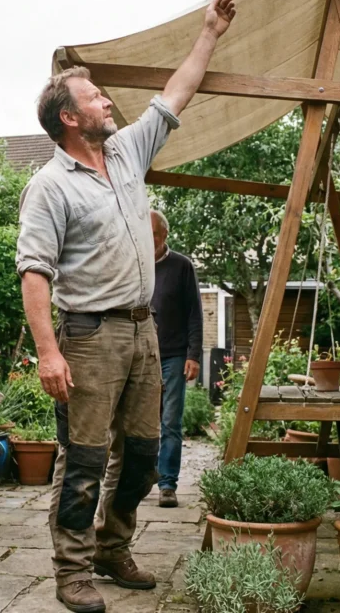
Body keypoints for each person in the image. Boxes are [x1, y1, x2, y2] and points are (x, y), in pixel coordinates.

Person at [16, 0, 236, 613]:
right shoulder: (50, 186)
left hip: (145, 332)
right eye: (93, 98)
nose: (106, 101)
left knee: (141, 456)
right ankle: (72, 571)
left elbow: (177, 92)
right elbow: (34, 274)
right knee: (83, 461)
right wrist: (48, 353)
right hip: (88, 336)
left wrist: (209, 33)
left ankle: (115, 546)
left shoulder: (126, 152)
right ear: (68, 117)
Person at [148, 210, 202, 509]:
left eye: (152, 234)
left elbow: (195, 312)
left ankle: (167, 484)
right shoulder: (134, 263)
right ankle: (142, 478)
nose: (147, 239)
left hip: (173, 355)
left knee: (170, 421)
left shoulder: (182, 266)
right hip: (140, 355)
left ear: (163, 235)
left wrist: (193, 354)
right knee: (139, 423)